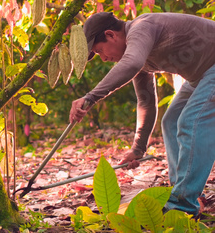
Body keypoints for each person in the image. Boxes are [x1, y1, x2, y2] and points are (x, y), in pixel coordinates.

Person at [69, 12, 215, 217]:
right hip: (201, 75)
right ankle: (180, 192)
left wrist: (91, 97)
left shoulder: (141, 28)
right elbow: (146, 102)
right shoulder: (139, 54)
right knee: (171, 121)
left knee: (191, 121)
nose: (104, 58)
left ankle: (183, 206)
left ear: (111, 35)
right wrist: (138, 149)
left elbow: (131, 63)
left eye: (100, 51)